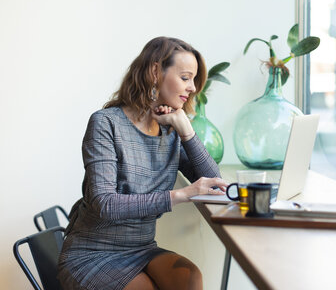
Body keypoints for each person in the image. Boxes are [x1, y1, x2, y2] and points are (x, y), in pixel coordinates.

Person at [57, 37, 228, 290]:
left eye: (193, 79)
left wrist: (186, 131)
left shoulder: (170, 132)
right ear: (155, 72)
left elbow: (215, 182)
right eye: (185, 77)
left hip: (141, 248)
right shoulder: (106, 123)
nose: (192, 87)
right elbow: (104, 204)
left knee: (190, 278)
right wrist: (180, 195)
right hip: (92, 252)